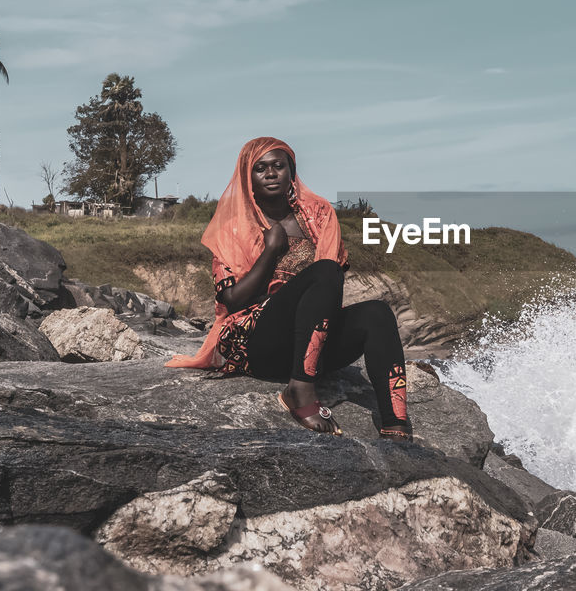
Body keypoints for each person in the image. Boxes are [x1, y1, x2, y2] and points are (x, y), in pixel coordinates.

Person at [166, 137, 411, 440]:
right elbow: (231, 301)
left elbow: (330, 285)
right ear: (248, 179)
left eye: (278, 166)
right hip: (258, 345)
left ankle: (395, 423)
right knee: (324, 271)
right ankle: (299, 391)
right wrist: (271, 250)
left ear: (291, 173)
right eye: (260, 169)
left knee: (377, 312)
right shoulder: (234, 226)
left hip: (313, 344)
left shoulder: (319, 215)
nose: (270, 173)